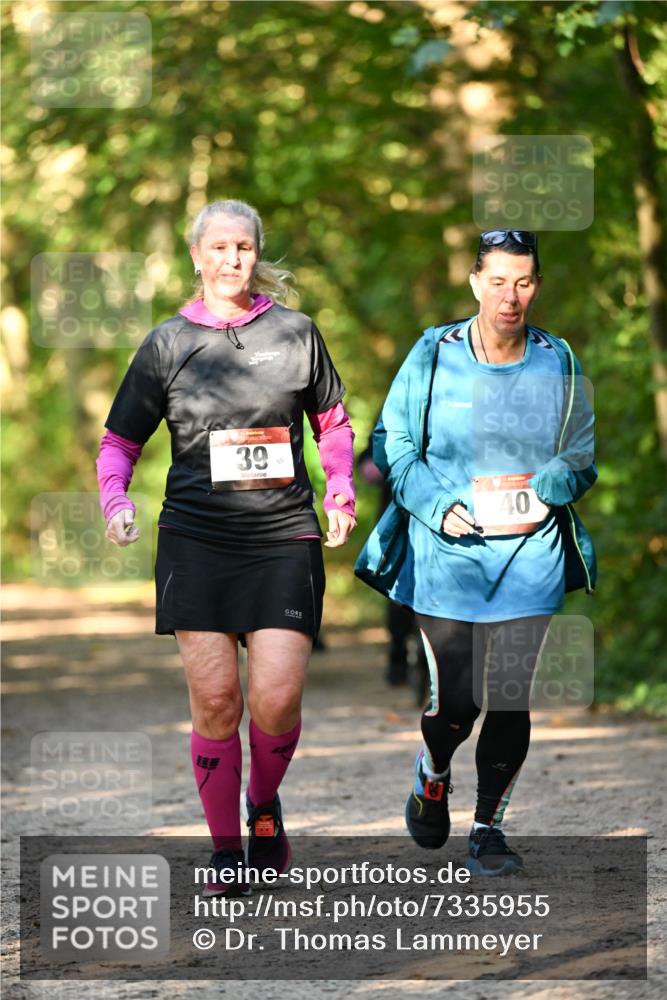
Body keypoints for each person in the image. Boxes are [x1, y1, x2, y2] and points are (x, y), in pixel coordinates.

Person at [97, 199, 356, 895]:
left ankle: (263, 805)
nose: (231, 258)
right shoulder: (167, 343)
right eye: (217, 247)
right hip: (197, 540)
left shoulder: (296, 333)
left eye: (242, 247)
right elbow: (119, 441)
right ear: (196, 255)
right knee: (215, 703)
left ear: (255, 253)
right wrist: (116, 500)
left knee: (276, 700)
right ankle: (224, 852)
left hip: (282, 536)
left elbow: (333, 423)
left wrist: (339, 489)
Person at [356, 230, 596, 875]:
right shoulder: (435, 354)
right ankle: (433, 772)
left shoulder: (557, 359)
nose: (509, 297)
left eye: (523, 282)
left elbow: (580, 453)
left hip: (531, 554)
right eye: (497, 282)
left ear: (536, 286)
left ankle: (488, 828)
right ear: (475, 283)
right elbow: (392, 442)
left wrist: (553, 483)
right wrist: (437, 505)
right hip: (448, 556)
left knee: (511, 695)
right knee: (457, 704)